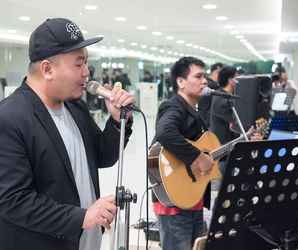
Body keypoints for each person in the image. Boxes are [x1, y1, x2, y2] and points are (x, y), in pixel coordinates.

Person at [0, 18, 134, 250]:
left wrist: (115, 120)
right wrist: (81, 217)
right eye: (78, 64)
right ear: (47, 69)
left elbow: (103, 156)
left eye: (86, 63)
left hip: (86, 241)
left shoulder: (74, 106)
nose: (86, 73)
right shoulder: (10, 117)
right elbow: (13, 201)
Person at [152, 57, 213, 250]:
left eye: (205, 76)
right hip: (175, 204)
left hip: (192, 197)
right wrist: (197, 156)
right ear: (180, 82)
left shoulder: (193, 110)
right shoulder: (173, 106)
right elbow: (165, 132)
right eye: (199, 76)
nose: (205, 81)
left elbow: (207, 154)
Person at [198, 62, 223, 128]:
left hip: (206, 118)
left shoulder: (212, 84)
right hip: (208, 120)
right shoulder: (211, 85)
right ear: (217, 71)